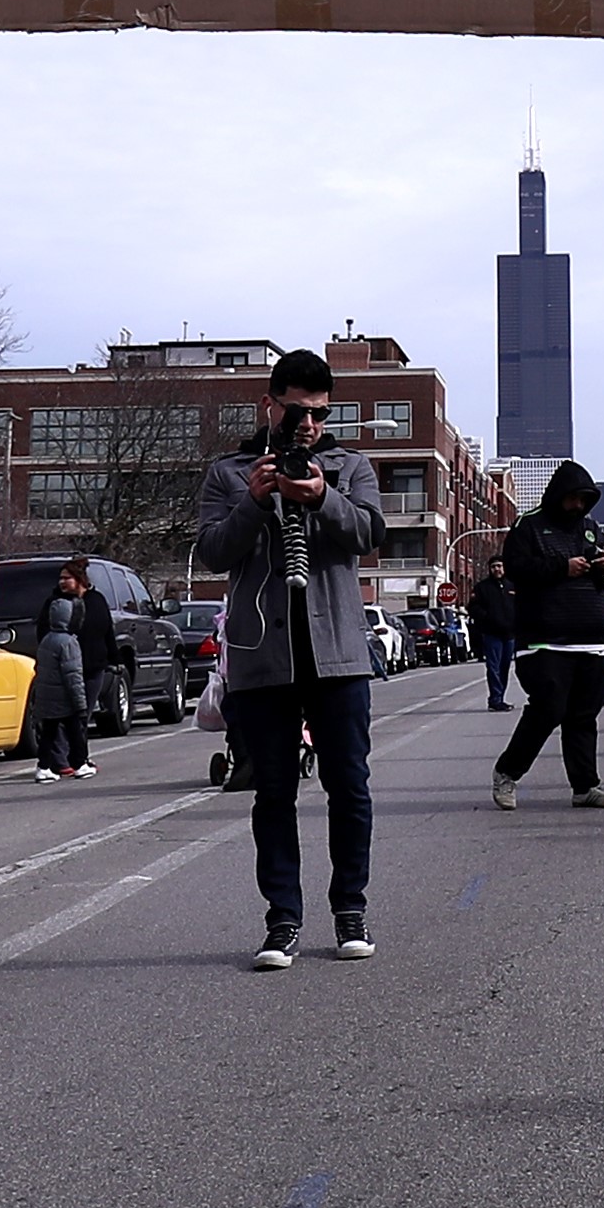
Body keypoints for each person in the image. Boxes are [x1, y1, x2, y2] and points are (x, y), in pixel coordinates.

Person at [201, 346, 386, 966]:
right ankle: (282, 920)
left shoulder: (350, 467)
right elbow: (213, 552)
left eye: (319, 414)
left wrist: (322, 497)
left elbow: (369, 534)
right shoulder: (230, 473)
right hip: (262, 657)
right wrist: (255, 503)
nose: (307, 425)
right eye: (296, 411)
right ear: (269, 405)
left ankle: (350, 909)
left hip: (337, 654)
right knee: (273, 793)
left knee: (349, 786)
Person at [491, 463, 604, 808]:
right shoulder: (529, 525)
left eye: (584, 500)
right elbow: (516, 568)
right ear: (557, 495)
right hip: (543, 640)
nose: (578, 506)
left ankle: (585, 786)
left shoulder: (591, 528)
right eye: (572, 498)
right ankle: (507, 772)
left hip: (591, 641)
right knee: (548, 708)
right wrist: (562, 568)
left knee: (584, 715)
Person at [22, 558, 109, 779]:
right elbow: (44, 634)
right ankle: (66, 761)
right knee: (65, 719)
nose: (62, 582)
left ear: (79, 580)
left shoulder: (96, 600)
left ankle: (73, 759)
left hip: (92, 665)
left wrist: (113, 658)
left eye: (67, 578)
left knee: (77, 719)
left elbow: (107, 630)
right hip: (66, 671)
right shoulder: (56, 608)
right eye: (60, 578)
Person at [469, 555, 518, 712]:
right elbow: (473, 608)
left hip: (509, 635)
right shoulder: (482, 588)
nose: (497, 569)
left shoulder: (512, 586)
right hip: (491, 634)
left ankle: (500, 698)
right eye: (493, 566)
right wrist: (487, 618)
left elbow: (521, 606)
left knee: (504, 668)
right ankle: (495, 699)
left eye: (499, 566)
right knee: (493, 667)